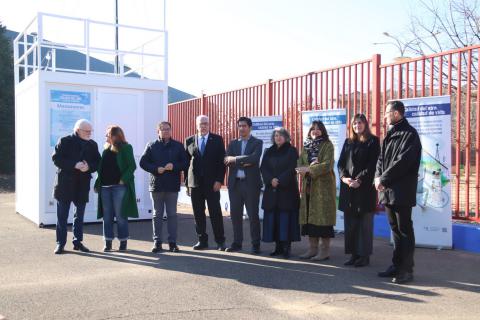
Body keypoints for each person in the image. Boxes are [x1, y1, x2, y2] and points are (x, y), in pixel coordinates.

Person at [375, 100, 422, 284]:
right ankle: (396, 265)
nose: (384, 116)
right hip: (387, 190)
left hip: (401, 191)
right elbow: (381, 159)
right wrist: (378, 177)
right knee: (395, 230)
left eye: (387, 113)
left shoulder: (410, 135)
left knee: (404, 230)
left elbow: (403, 163)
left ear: (396, 114)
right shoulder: (390, 134)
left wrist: (383, 179)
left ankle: (406, 270)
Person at [52, 119, 101, 254]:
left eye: (91, 131)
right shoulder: (65, 141)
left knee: (79, 216)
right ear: (78, 130)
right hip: (64, 185)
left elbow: (98, 162)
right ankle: (60, 243)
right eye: (87, 131)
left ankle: (77, 242)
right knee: (62, 216)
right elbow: (56, 159)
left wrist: (88, 167)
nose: (90, 133)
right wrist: (74, 164)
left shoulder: (92, 144)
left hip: (82, 185)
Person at [338, 114, 380, 267]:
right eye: (355, 123)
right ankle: (353, 255)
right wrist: (344, 178)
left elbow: (373, 165)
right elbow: (341, 163)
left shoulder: (373, 141)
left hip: (364, 189)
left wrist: (359, 180)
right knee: (350, 224)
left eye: (360, 123)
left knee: (364, 224)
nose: (357, 126)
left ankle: (364, 256)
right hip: (348, 188)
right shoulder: (348, 142)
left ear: (365, 124)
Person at [140, 121, 188, 253]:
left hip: (172, 186)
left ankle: (173, 243)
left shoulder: (178, 146)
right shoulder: (151, 145)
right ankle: (157, 242)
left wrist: (174, 167)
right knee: (157, 214)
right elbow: (143, 162)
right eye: (163, 129)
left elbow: (185, 163)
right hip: (156, 185)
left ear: (171, 130)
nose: (166, 131)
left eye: (168, 129)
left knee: (172, 214)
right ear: (158, 132)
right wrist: (155, 169)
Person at [184, 115, 227, 251]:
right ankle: (202, 241)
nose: (203, 126)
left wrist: (219, 180)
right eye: (201, 124)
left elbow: (222, 163)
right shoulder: (189, 140)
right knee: (198, 213)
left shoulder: (217, 140)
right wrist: (187, 184)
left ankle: (220, 241)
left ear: (209, 125)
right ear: (196, 125)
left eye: (206, 123)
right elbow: (186, 165)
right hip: (195, 184)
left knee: (215, 212)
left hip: (212, 184)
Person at [296, 121, 336, 261]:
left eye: (318, 129)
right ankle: (312, 249)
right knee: (310, 220)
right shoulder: (306, 146)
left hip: (323, 188)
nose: (315, 131)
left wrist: (310, 169)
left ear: (323, 131)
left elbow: (328, 164)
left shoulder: (327, 145)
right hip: (308, 186)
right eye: (313, 129)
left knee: (323, 219)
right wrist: (305, 167)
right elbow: (300, 162)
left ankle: (325, 251)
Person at [94, 125, 138, 252]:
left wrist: (122, 179)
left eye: (108, 134)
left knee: (120, 216)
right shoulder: (105, 149)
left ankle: (123, 242)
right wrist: (98, 184)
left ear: (115, 136)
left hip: (119, 187)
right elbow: (101, 170)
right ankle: (108, 242)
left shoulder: (126, 148)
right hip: (105, 188)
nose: (106, 136)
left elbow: (132, 166)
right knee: (106, 216)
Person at [224, 117, 263, 254]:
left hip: (251, 184)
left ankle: (255, 244)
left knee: (253, 216)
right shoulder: (233, 143)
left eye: (244, 126)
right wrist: (244, 161)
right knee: (235, 216)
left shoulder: (257, 142)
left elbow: (254, 158)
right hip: (235, 185)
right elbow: (226, 160)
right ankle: (237, 243)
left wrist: (235, 159)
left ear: (250, 127)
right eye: (239, 126)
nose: (241, 128)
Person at [260, 127, 300, 259]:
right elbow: (263, 168)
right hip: (271, 190)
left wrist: (280, 180)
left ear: (286, 137)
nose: (278, 137)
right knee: (274, 220)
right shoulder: (269, 151)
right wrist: (270, 180)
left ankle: (286, 247)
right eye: (276, 135)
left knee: (285, 220)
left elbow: (292, 168)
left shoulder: (291, 150)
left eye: (281, 135)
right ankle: (277, 247)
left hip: (286, 191)